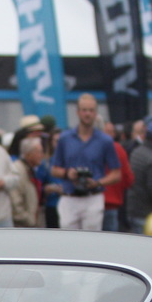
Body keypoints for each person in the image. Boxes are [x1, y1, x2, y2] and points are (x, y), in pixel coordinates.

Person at [49, 94, 122, 231]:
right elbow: (54, 169)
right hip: (69, 197)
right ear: (77, 112)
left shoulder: (105, 141)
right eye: (84, 110)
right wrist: (67, 174)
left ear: (96, 113)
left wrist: (98, 182)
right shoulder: (65, 138)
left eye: (91, 110)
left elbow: (116, 173)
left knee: (91, 242)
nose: (87, 114)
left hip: (93, 196)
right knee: (68, 241)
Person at [101, 132, 134, 232]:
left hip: (84, 203)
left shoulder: (83, 148)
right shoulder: (117, 149)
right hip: (111, 204)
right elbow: (129, 179)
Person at [9, 137, 44, 228]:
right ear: (28, 154)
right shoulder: (17, 171)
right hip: (21, 227)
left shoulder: (29, 170)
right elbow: (15, 201)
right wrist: (29, 220)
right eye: (39, 152)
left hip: (30, 225)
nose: (41, 155)